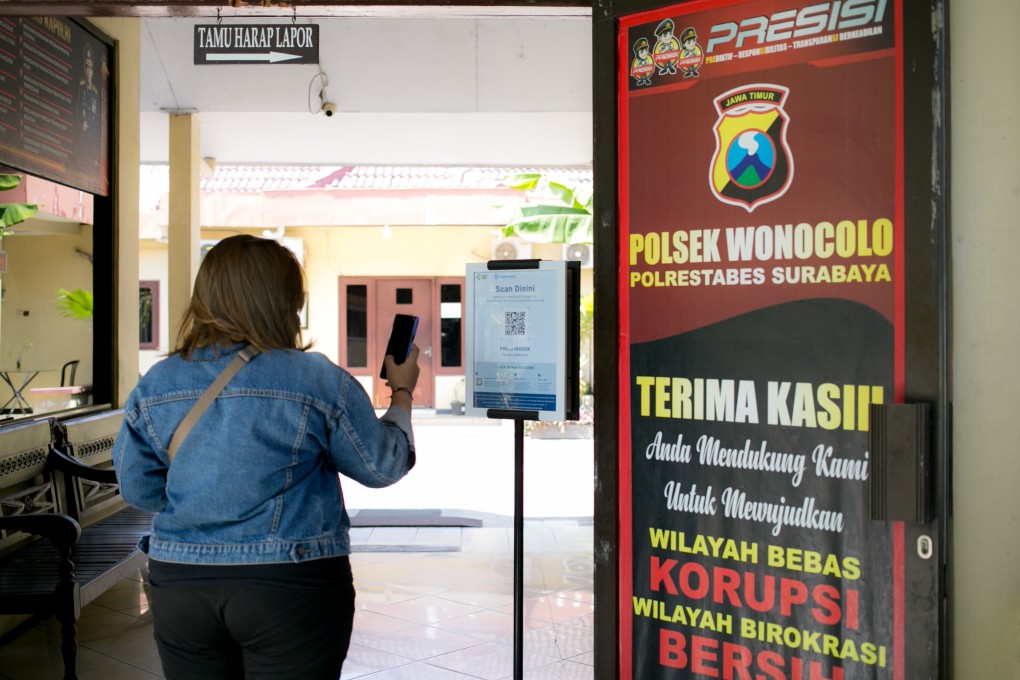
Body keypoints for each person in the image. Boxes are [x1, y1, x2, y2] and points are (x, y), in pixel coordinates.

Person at [113, 234, 419, 680]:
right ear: (287, 300)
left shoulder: (157, 382)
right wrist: (403, 391)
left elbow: (139, 488)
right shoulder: (316, 379)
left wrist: (208, 497)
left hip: (181, 582)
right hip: (289, 582)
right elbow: (382, 466)